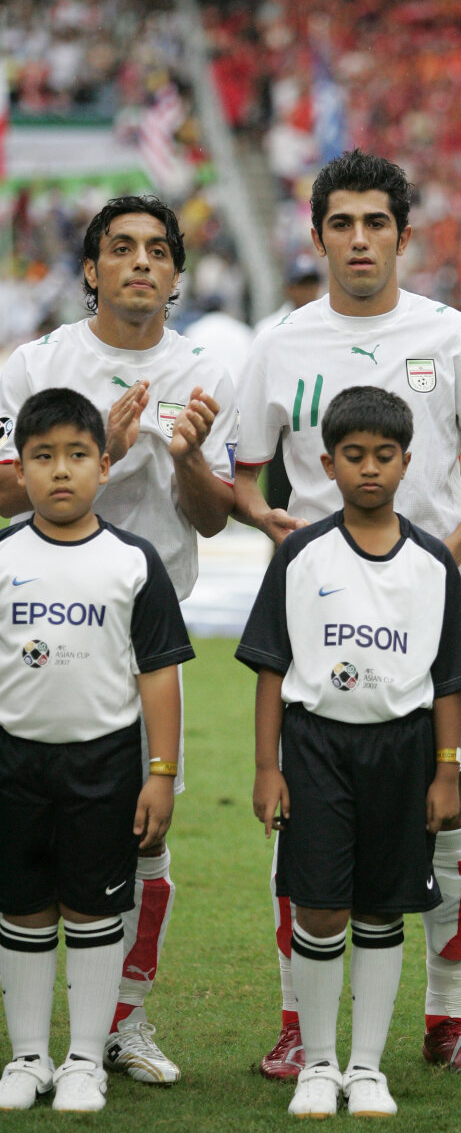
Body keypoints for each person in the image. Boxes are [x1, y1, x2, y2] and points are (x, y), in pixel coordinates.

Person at [234, 148, 461, 1078]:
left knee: (451, 808)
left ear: (404, 236)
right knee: (303, 811)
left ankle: (450, 1020)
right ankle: (299, 1022)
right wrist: (264, 519)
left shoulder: (452, 337)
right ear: (318, 235)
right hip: (318, 625)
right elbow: (244, 473)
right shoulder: (280, 343)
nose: (359, 239)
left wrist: (444, 558)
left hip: (425, 623)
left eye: (376, 223)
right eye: (342, 223)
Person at [0, 195, 238, 1085]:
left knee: (141, 831)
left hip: (144, 628)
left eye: (158, 250)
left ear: (175, 275)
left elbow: (211, 518)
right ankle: (35, 1047)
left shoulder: (206, 370)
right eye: (122, 247)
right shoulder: (38, 363)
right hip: (35, 621)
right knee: (29, 837)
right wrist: (94, 449)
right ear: (92, 269)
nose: (141, 261)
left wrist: (188, 460)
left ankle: (122, 1024)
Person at [235, 385, 461, 1117]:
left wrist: (446, 773)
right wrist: (267, 767)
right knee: (319, 910)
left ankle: (367, 1068)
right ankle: (319, 1065)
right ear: (328, 464)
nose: (369, 468)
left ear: (408, 462)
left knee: (382, 912)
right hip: (316, 746)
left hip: (404, 751)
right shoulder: (299, 555)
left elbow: (450, 679)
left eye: (384, 455)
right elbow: (271, 668)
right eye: (354, 455)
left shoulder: (433, 562)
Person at [0, 388, 194, 1113]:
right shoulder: (3, 555)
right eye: (43, 456)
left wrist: (161, 773)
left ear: (104, 466)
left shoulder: (133, 561)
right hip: (15, 762)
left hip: (104, 765)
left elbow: (159, 674)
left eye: (77, 454)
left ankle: (84, 1061)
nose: (60, 470)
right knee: (22, 910)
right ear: (19, 469)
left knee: (92, 912)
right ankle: (27, 1057)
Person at [252, 252, 323, 512]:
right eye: (301, 284)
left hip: (315, 416)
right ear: (289, 288)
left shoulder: (326, 324)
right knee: (280, 498)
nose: (307, 291)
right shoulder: (268, 329)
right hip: (281, 420)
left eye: (311, 284)